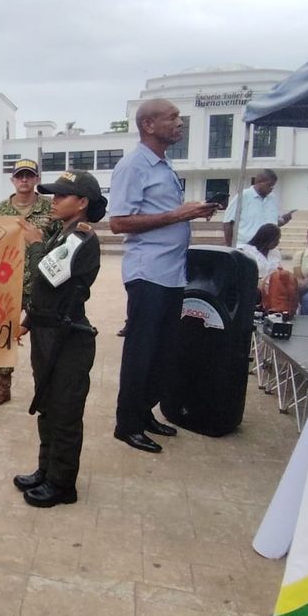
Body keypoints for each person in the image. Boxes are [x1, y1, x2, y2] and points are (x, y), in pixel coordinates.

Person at [108, 98, 219, 454]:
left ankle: (145, 413)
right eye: (172, 118)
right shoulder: (133, 166)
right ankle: (127, 424)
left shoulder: (163, 165)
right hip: (149, 273)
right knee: (141, 352)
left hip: (172, 274)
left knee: (162, 352)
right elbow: (118, 222)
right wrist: (177, 215)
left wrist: (192, 213)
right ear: (148, 125)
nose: (180, 123)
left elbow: (165, 213)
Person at [13, 170, 105, 508]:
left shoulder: (80, 238)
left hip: (69, 339)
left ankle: (62, 484)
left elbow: (46, 277)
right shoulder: (63, 233)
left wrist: (35, 243)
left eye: (62, 196)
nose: (54, 201)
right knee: (47, 406)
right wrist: (27, 323)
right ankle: (46, 470)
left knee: (64, 412)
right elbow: (46, 297)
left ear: (82, 203)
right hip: (48, 333)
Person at [0, 159, 60, 407]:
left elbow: (60, 247)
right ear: (13, 180)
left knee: (45, 340)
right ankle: (3, 386)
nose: (24, 180)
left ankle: (46, 388)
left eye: (29, 175)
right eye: (20, 176)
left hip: (41, 287)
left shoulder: (51, 211)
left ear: (37, 179)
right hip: (8, 286)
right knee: (3, 336)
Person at [223, 169, 292, 246]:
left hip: (267, 247)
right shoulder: (243, 196)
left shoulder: (272, 198)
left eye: (273, 186)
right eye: (269, 185)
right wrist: (230, 247)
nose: (271, 189)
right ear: (258, 182)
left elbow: (271, 223)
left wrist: (283, 221)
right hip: (246, 247)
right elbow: (228, 222)